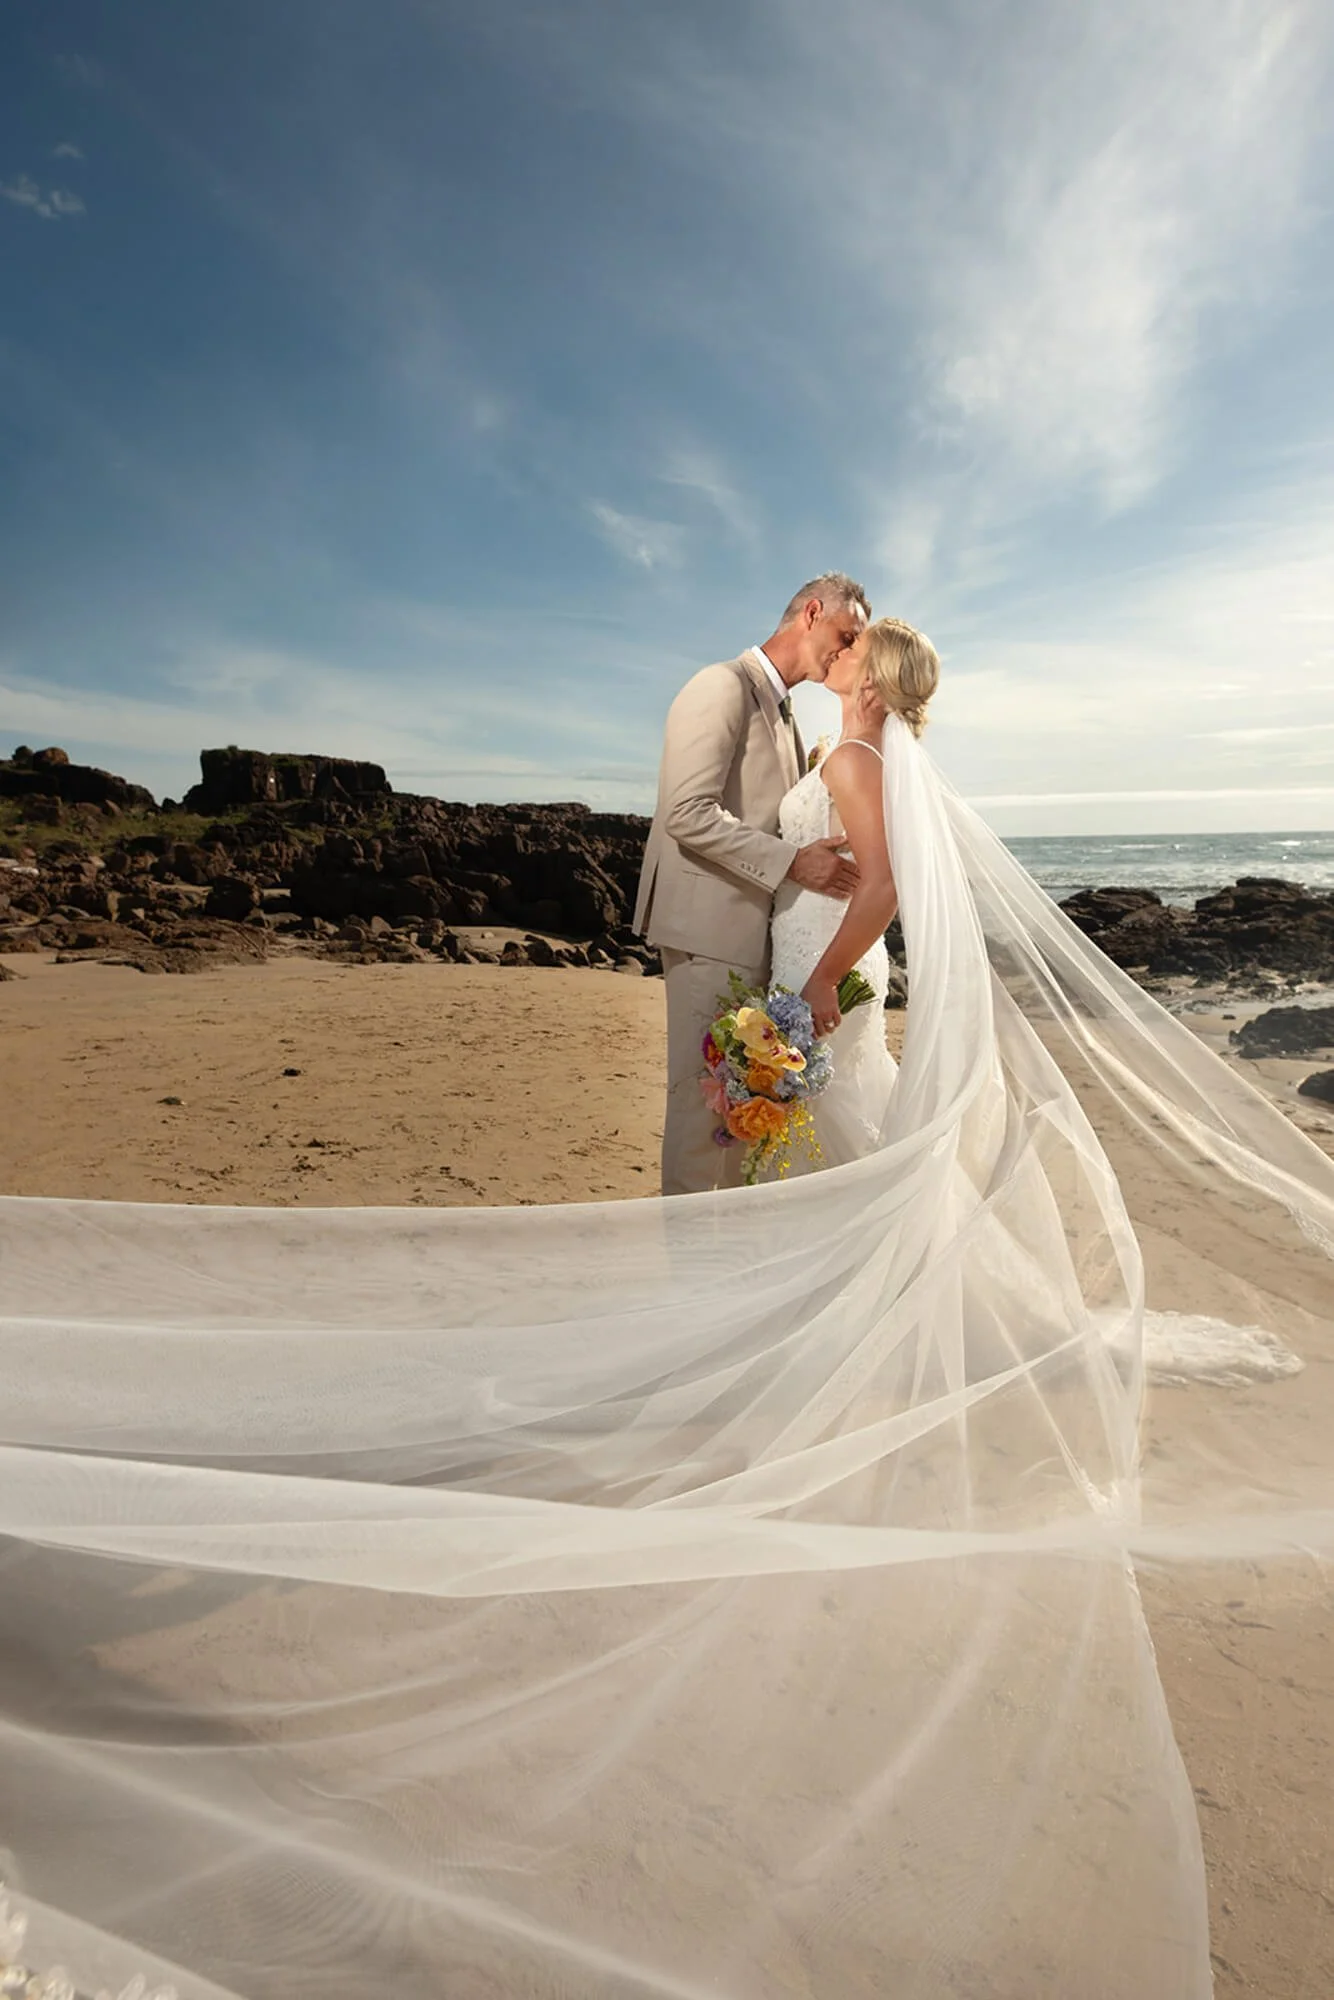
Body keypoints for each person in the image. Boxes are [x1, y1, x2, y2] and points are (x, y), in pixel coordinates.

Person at [633, 571, 870, 1195]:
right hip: (708, 930)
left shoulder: (787, 715)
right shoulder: (721, 686)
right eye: (846, 636)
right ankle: (688, 1280)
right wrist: (795, 863)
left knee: (739, 1115)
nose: (847, 653)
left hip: (757, 942)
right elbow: (687, 812)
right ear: (812, 613)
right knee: (696, 1111)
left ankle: (726, 1276)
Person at [769, 616, 940, 1166]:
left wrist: (825, 978)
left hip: (825, 965)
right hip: (821, 954)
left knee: (815, 1146)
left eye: (853, 645)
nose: (840, 647)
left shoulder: (854, 760)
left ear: (870, 678)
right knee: (824, 1132)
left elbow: (884, 883)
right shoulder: (851, 754)